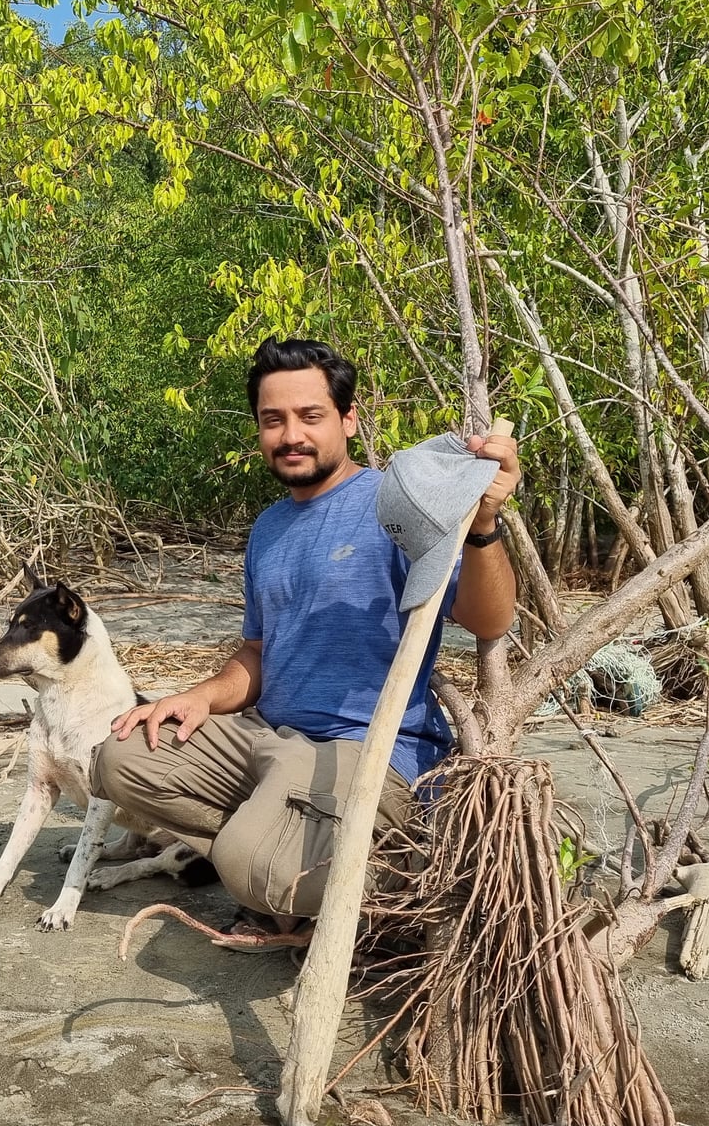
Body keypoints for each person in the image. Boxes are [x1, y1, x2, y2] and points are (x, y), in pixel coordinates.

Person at [92, 337, 520, 932]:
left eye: (310, 416)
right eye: (274, 419)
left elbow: (490, 620)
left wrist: (484, 524)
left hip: (362, 749)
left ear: (347, 419)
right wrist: (199, 698)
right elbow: (258, 652)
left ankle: (374, 861)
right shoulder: (269, 527)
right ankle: (283, 846)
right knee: (119, 761)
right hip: (267, 735)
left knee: (249, 868)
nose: (291, 434)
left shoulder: (394, 504)